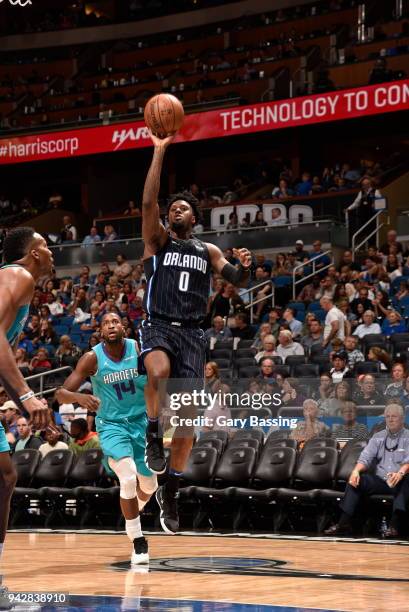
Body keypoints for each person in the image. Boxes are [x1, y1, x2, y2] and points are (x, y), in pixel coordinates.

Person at [139, 131, 252, 533]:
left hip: (192, 334)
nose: (175, 211)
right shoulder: (156, 240)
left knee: (187, 419)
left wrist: (247, 266)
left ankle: (170, 487)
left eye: (183, 208)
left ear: (195, 217)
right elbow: (149, 202)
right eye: (173, 208)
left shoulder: (208, 251)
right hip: (157, 324)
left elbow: (235, 278)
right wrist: (158, 150)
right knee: (156, 373)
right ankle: (153, 434)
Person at [56, 312, 157, 565]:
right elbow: (61, 393)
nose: (111, 326)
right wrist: (79, 398)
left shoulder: (139, 348)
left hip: (141, 423)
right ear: (100, 331)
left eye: (115, 322)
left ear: (123, 327)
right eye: (105, 323)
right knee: (127, 476)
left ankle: (133, 509)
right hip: (111, 426)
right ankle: (137, 540)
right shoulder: (92, 358)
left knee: (150, 485)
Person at [0, 227, 53, 607]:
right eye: (47, 248)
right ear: (34, 253)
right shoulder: (18, 275)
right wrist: (28, 394)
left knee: (5, 476)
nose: (53, 254)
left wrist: (26, 406)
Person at [325, 403, 409, 538]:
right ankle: (343, 523)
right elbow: (365, 457)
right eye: (387, 416)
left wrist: (400, 473)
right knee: (356, 480)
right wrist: (356, 471)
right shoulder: (378, 436)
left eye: (394, 416)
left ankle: (394, 526)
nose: (390, 419)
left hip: (400, 480)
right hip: (381, 480)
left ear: (402, 418)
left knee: (406, 480)